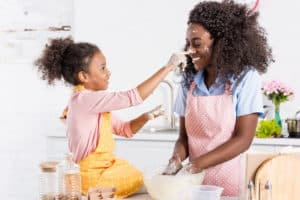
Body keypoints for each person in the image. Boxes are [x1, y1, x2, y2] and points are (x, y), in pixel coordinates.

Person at [35, 37, 186, 198]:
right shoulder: (85, 100)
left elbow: (125, 130)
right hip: (92, 180)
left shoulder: (91, 102)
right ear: (84, 76)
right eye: (102, 68)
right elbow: (132, 97)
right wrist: (169, 67)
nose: (108, 72)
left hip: (103, 172)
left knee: (145, 180)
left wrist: (145, 117)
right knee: (152, 184)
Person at [163, 0, 273, 197]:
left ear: (221, 43)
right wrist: (176, 160)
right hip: (192, 184)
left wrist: (195, 166)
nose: (190, 50)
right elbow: (184, 138)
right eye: (188, 43)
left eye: (197, 44)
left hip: (230, 182)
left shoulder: (245, 78)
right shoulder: (189, 80)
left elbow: (243, 139)